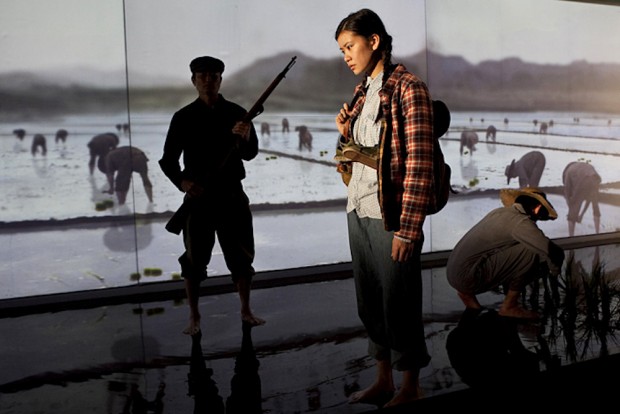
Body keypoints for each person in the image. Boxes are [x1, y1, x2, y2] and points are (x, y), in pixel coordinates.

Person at [334, 9, 434, 408]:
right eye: (342, 49)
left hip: (390, 215)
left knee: (400, 301)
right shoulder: (362, 91)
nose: (346, 55)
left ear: (374, 41)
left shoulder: (409, 88)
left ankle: (410, 387)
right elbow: (353, 154)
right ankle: (383, 381)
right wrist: (344, 133)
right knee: (371, 301)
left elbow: (420, 164)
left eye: (350, 46)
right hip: (357, 209)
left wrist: (409, 230)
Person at [159, 56, 264, 336]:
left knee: (241, 257)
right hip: (199, 198)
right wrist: (183, 182)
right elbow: (168, 161)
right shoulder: (182, 117)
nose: (208, 80)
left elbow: (250, 154)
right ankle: (194, 316)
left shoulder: (237, 112)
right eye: (202, 75)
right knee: (194, 261)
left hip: (231, 195)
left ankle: (246, 310)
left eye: (214, 75)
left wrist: (246, 135)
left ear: (220, 80)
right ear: (194, 80)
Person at [446, 187, 565, 320]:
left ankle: (465, 294)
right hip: (468, 277)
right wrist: (554, 271)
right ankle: (509, 306)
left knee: (521, 248)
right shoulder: (521, 223)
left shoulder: (498, 212)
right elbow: (550, 250)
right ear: (537, 208)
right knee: (532, 250)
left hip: (452, 273)